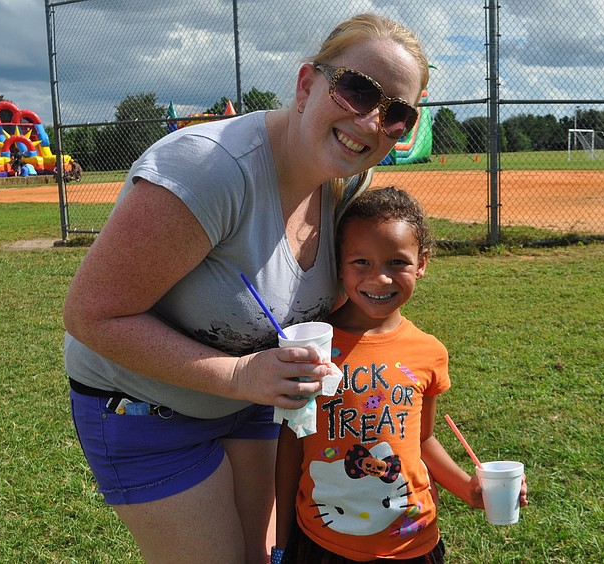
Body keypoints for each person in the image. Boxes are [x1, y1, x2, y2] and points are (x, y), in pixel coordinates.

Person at [62, 13, 429, 564]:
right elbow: (92, 316)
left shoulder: (348, 177)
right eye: (357, 90)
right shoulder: (208, 169)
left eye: (397, 113)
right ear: (307, 84)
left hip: (256, 399)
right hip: (144, 407)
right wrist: (238, 374)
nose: (372, 122)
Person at [274, 187, 528, 563]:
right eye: (361, 262)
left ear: (421, 262)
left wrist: (469, 489)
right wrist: (280, 543)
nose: (380, 279)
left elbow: (423, 440)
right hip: (324, 543)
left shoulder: (428, 351)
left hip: (413, 543)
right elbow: (291, 444)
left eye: (397, 262)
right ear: (339, 263)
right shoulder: (312, 345)